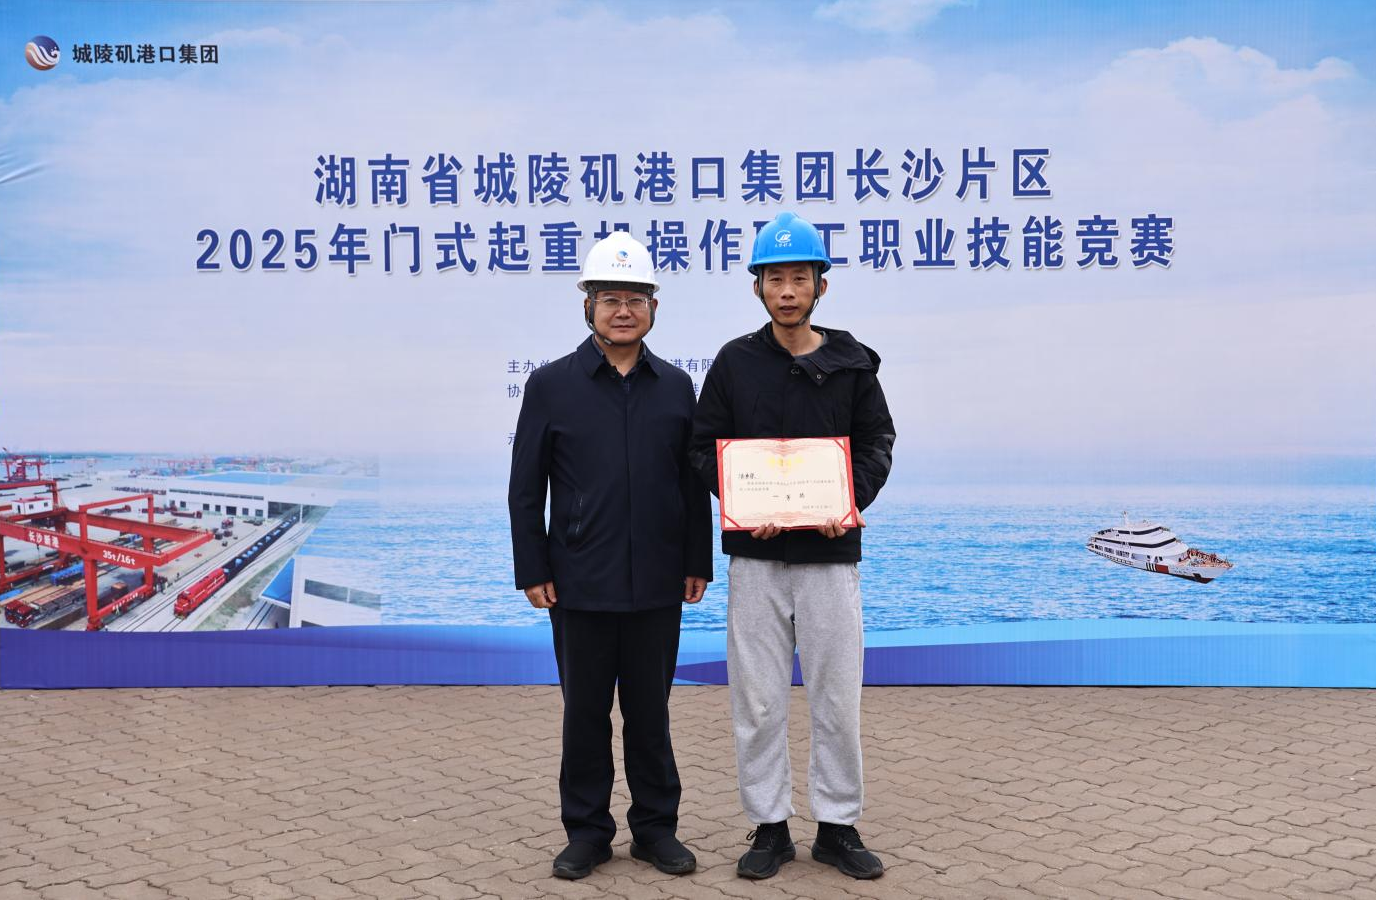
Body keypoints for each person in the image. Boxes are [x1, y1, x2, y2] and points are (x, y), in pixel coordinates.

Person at [690, 211, 896, 880]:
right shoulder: (734, 362)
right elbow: (702, 447)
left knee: (836, 696)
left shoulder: (852, 363)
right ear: (756, 287)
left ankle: (837, 826)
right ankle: (770, 826)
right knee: (757, 700)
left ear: (820, 287)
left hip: (830, 558)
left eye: (799, 278)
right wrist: (743, 503)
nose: (786, 291)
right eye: (774, 278)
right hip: (756, 558)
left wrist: (849, 501)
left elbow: (876, 443)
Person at [508, 231, 713, 880]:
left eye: (635, 299)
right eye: (609, 299)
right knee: (585, 716)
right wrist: (533, 568)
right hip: (578, 582)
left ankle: (655, 830)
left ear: (654, 307)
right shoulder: (551, 385)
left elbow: (692, 484)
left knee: (651, 715)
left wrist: (697, 561)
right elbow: (525, 487)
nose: (623, 311)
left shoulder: (676, 386)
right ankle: (588, 833)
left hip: (657, 580)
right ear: (588, 306)